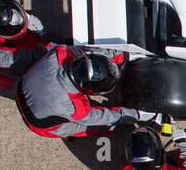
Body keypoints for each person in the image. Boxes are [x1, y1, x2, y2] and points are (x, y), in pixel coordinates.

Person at [15, 45, 155, 139]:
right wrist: (135, 115)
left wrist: (125, 56)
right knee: (95, 127)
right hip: (38, 123)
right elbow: (102, 117)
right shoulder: (75, 108)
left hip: (24, 87)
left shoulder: (61, 53)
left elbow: (88, 53)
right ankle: (111, 130)